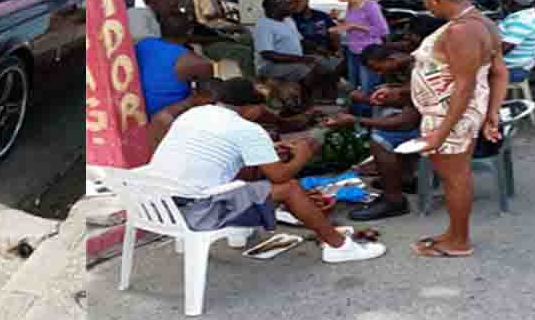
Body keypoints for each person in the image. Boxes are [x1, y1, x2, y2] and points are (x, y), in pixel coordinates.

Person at [146, 78, 386, 263]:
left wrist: (267, 150)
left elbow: (212, 152)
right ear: (249, 108)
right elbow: (280, 176)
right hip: (195, 210)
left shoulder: (196, 113)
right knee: (289, 188)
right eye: (260, 107)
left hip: (156, 203)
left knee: (250, 174)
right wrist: (303, 154)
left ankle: (247, 229)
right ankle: (339, 247)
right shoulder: (247, 129)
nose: (262, 113)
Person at [410, 0, 510, 258]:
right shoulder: (484, 23)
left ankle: (459, 242)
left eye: (425, 0)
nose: (426, 6)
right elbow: (499, 73)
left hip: (450, 117)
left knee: (455, 177)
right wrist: (492, 114)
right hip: (461, 114)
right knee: (456, 175)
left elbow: (464, 87)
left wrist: (440, 133)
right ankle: (454, 233)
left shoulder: (460, 31)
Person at [325, 45, 420, 221]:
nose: (377, 72)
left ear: (391, 60)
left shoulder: (418, 70)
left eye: (378, 68)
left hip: (439, 126)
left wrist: (354, 120)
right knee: (384, 118)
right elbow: (406, 99)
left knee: (380, 140)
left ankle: (395, 201)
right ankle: (405, 179)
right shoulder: (405, 66)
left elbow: (404, 121)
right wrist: (388, 94)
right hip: (425, 118)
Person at [254, 0, 337, 100]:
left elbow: (301, 41)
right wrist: (301, 59)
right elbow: (267, 54)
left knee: (329, 64)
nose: (290, 6)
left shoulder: (288, 20)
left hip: (294, 59)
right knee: (307, 70)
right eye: (286, 4)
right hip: (270, 66)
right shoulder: (264, 26)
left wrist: (319, 49)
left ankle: (328, 98)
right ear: (274, 8)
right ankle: (308, 100)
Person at [137, 11, 213, 118]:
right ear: (190, 31)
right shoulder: (198, 63)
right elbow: (207, 99)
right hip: (170, 120)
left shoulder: (142, 44)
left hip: (136, 114)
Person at [331, 0, 389, 96]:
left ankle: (370, 112)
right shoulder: (350, 5)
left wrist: (353, 26)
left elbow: (383, 30)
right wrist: (341, 22)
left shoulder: (370, 6)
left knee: (367, 89)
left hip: (369, 53)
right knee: (354, 86)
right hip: (353, 51)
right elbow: (353, 25)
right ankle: (357, 109)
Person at [498, 0, 535, 84]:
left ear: (512, 1)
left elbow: (503, 49)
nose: (501, 1)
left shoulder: (521, 21)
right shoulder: (525, 16)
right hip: (515, 65)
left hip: (511, 69)